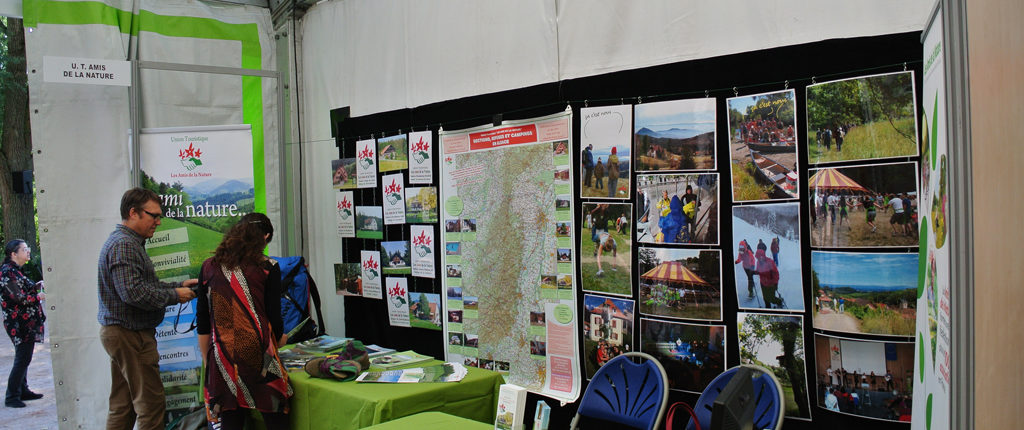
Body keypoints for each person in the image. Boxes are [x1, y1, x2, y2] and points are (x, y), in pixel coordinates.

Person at [98, 188, 197, 429]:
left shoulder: (128, 242)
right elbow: (133, 293)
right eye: (154, 215)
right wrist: (175, 295)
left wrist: (180, 285)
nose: (159, 222)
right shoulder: (124, 245)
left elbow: (143, 286)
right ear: (133, 213)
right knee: (150, 407)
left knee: (122, 407)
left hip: (122, 334)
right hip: (130, 336)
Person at [197, 213, 291, 429]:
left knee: (231, 417)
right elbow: (274, 318)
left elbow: (203, 320)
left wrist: (209, 360)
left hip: (222, 356)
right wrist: (280, 338)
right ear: (265, 236)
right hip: (260, 355)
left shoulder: (208, 267)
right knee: (276, 413)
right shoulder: (268, 267)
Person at [1, 240, 45, 408]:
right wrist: (39, 297)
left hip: (26, 322)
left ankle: (23, 390)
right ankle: (11, 396)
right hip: (18, 323)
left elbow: (24, 290)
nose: (28, 252)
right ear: (14, 254)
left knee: (25, 357)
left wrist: (36, 287)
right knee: (22, 357)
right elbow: (18, 297)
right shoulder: (7, 272)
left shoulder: (16, 271)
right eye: (24, 249)